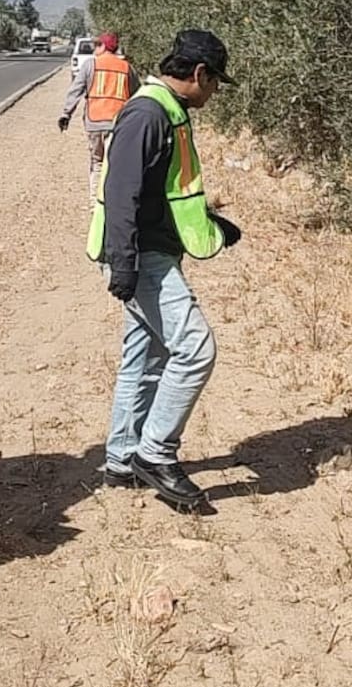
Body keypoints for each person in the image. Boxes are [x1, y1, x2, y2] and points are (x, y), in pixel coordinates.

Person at [87, 28, 241, 515]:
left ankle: (122, 458)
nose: (214, 92)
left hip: (154, 252)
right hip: (144, 259)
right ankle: (156, 452)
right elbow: (121, 192)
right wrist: (124, 263)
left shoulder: (166, 111)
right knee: (196, 350)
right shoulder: (148, 114)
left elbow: (165, 191)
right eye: (214, 82)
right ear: (197, 74)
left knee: (145, 359)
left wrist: (212, 225)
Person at [58, 32, 138, 195]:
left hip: (94, 122)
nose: (94, 49)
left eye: (97, 45)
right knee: (115, 164)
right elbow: (137, 94)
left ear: (104, 46)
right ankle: (113, 202)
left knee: (97, 163)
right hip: (118, 124)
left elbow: (76, 91)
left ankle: (95, 205)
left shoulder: (90, 65)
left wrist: (66, 114)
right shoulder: (126, 67)